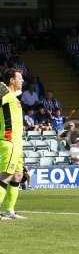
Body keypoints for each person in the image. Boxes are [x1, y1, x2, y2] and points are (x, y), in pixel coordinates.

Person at [0, 69, 26, 219]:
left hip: (18, 142)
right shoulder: (5, 95)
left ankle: (9, 210)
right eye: (19, 78)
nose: (22, 80)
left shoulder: (14, 98)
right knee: (6, 175)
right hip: (8, 141)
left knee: (17, 175)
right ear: (11, 80)